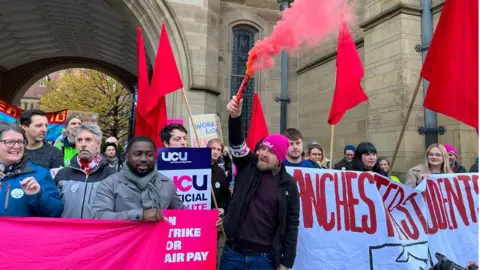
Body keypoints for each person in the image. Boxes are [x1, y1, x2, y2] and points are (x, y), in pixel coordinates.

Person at [221, 96, 299, 270]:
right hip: (233, 254)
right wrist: (235, 117)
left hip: (264, 259)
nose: (263, 153)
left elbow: (292, 224)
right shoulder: (247, 165)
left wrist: (287, 261)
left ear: (279, 159)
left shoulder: (288, 185)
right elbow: (236, 142)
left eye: (270, 151)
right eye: (262, 148)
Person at [91, 136, 185, 220]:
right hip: (125, 239)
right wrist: (140, 215)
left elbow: (183, 215)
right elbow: (98, 216)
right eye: (137, 154)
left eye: (149, 154)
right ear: (127, 157)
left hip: (156, 239)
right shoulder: (110, 184)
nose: (144, 159)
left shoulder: (167, 184)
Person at [0, 123, 63, 217]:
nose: (17, 146)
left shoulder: (39, 174)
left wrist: (38, 195)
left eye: (21, 142)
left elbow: (56, 213)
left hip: (20, 231)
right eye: (9, 142)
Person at [54, 123, 116, 218]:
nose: (83, 144)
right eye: (79, 140)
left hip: (97, 231)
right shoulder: (63, 174)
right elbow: (52, 209)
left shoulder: (111, 175)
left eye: (88, 140)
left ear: (98, 144)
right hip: (67, 231)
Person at [207, 138, 230, 213]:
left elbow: (224, 193)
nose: (215, 152)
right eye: (213, 148)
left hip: (213, 213)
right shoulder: (197, 168)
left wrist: (222, 208)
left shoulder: (220, 172)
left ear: (221, 153)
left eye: (218, 149)